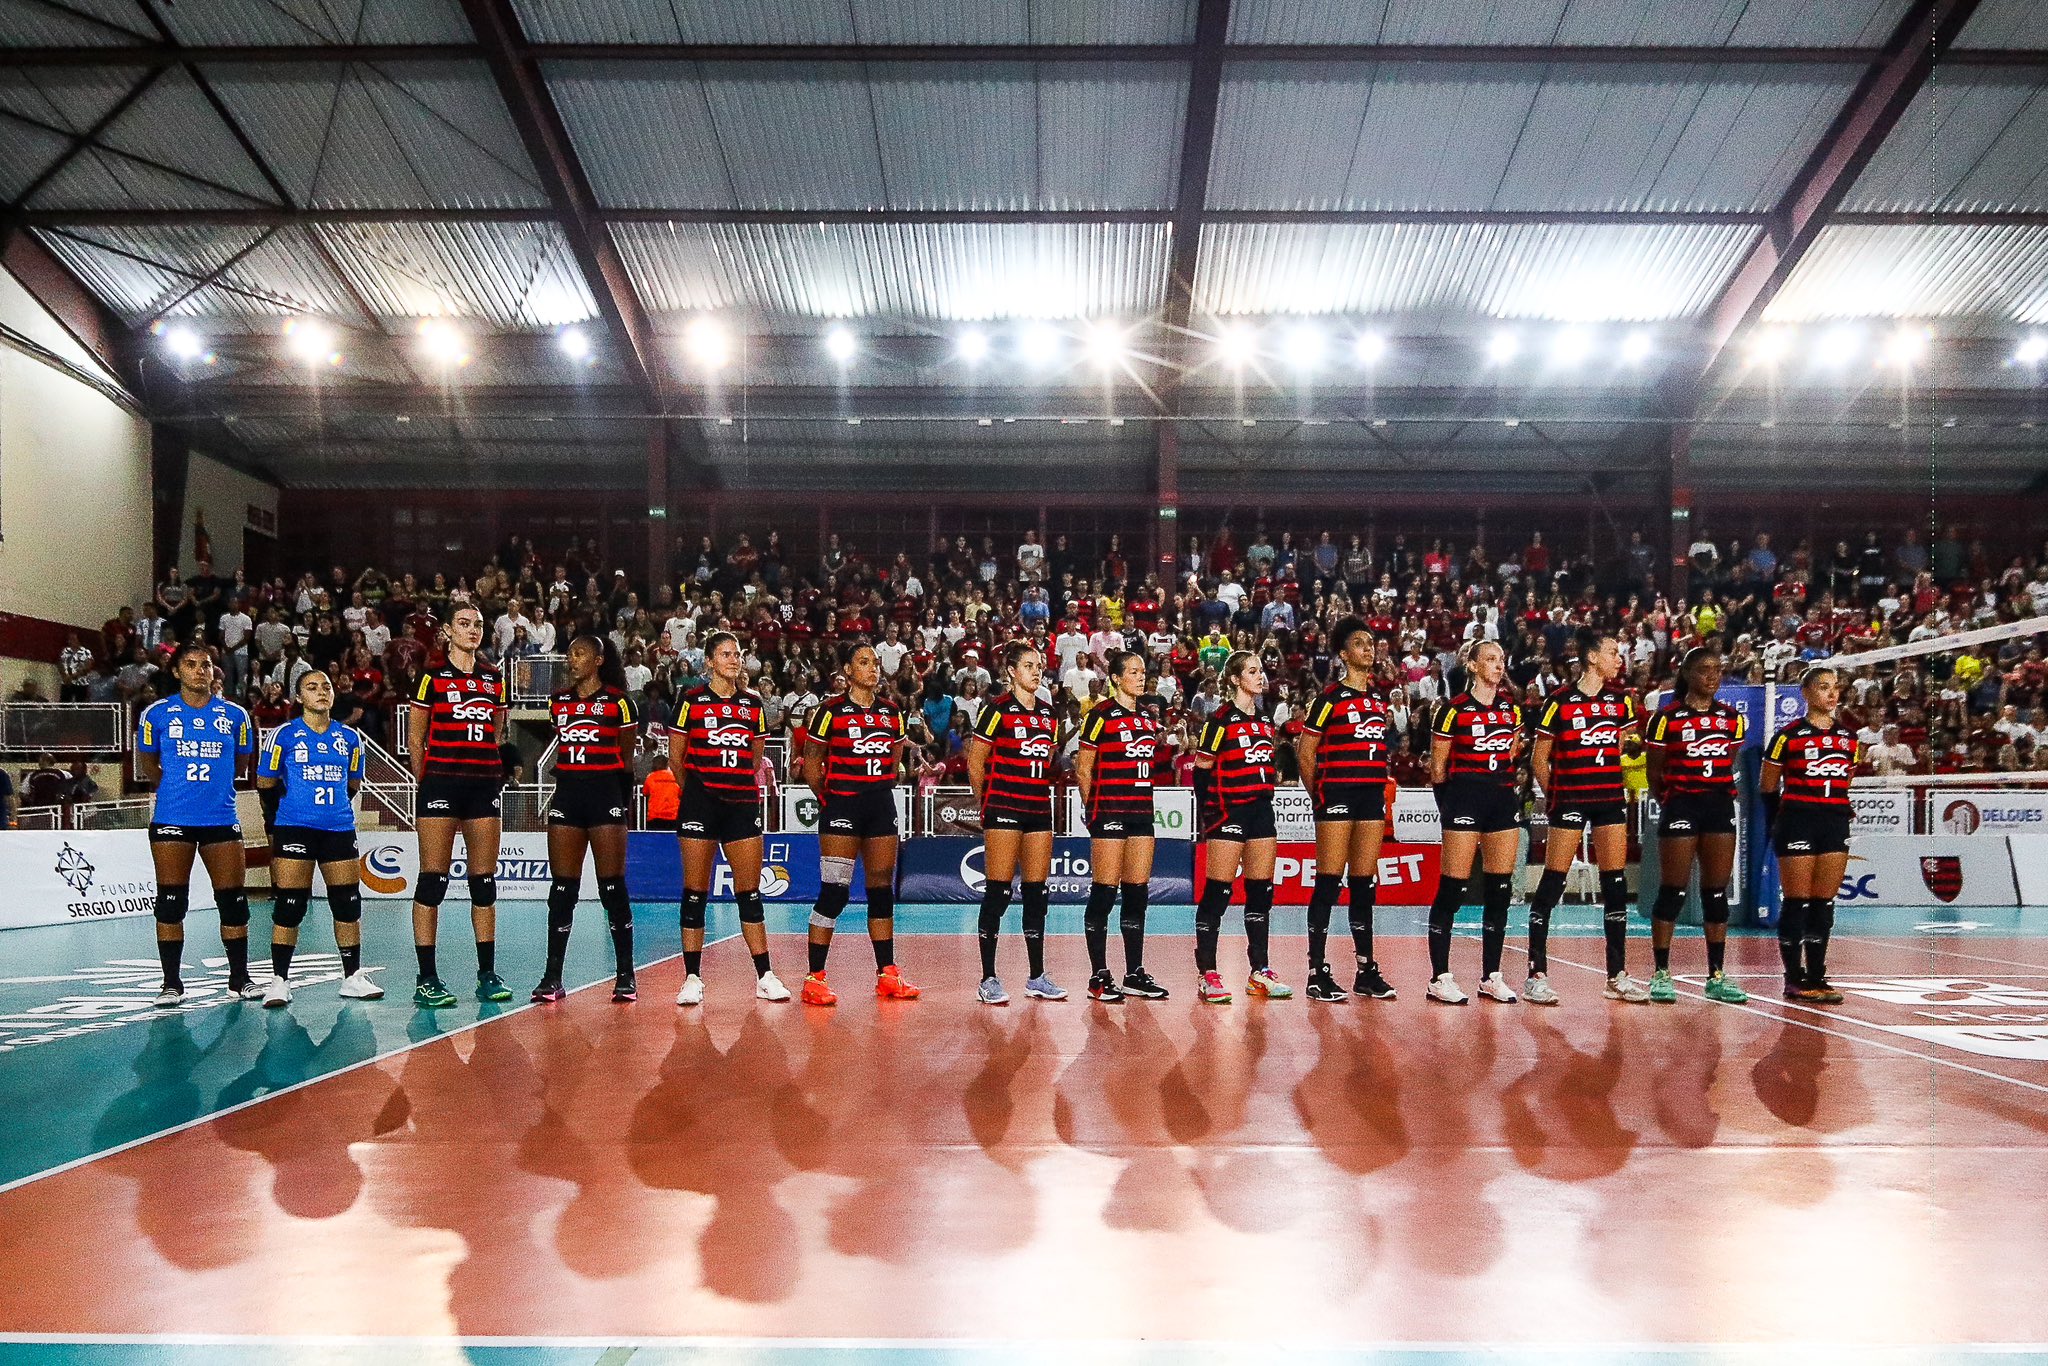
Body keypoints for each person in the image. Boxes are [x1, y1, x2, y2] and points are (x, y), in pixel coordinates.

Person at [1526, 630, 1650, 1006]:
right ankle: (1536, 975)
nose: (1619, 658)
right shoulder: (1559, 702)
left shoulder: (1622, 703)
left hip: (1610, 800)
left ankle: (1617, 976)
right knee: (1552, 882)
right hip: (1570, 800)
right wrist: (1557, 798)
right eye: (1613, 652)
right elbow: (1537, 760)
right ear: (1592, 657)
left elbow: (1624, 749)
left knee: (1615, 884)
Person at [135, 643, 258, 1007]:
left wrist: (212, 791)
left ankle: (240, 980)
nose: (199, 671)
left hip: (220, 818)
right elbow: (149, 765)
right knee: (171, 901)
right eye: (190, 665)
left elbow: (239, 766)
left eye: (206, 665)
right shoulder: (156, 714)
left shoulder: (235, 715)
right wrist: (177, 791)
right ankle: (171, 983)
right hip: (173, 820)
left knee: (234, 902)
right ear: (176, 672)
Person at [671, 631, 788, 1005]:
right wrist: (701, 791)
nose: (734, 659)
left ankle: (764, 975)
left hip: (741, 804)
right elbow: (677, 761)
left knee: (750, 893)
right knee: (695, 893)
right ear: (709, 661)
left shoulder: (753, 705)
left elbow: (754, 760)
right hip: (699, 804)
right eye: (725, 654)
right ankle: (692, 977)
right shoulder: (689, 701)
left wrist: (732, 787)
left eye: (737, 654)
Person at [800, 641, 921, 1005]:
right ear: (848, 672)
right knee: (834, 891)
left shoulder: (891, 712)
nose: (872, 668)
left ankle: (887, 974)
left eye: (876, 663)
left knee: (881, 891)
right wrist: (832, 799)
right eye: (863, 662)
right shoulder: (829, 712)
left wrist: (877, 791)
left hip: (880, 807)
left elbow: (896, 758)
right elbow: (811, 764)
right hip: (842, 807)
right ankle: (814, 978)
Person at [256, 670, 381, 1006]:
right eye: (311, 687)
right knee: (290, 905)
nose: (321, 691)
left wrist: (332, 810)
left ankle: (352, 976)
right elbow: (266, 784)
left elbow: (353, 785)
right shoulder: (283, 736)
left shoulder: (351, 739)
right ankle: (280, 981)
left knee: (347, 903)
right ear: (299, 697)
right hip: (294, 828)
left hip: (338, 828)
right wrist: (281, 821)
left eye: (326, 686)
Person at [407, 604, 511, 1008]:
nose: (472, 631)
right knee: (432, 881)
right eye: (464, 624)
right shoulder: (430, 677)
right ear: (448, 631)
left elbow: (497, 731)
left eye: (478, 625)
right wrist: (429, 779)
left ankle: (486, 974)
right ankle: (427, 978)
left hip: (482, 786)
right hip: (440, 786)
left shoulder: (494, 678)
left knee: (484, 884)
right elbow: (416, 739)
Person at [1296, 617, 1397, 1003]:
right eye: (1359, 643)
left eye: (1371, 643)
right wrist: (1318, 796)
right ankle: (1316, 971)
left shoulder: (1377, 701)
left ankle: (1365, 968)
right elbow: (1306, 751)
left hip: (1371, 797)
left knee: (1363, 884)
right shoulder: (1329, 699)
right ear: (1342, 654)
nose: (1368, 649)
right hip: (1336, 795)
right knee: (1328, 881)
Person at [536, 635, 640, 1004]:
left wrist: (618, 799)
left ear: (597, 660)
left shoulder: (619, 703)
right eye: (570, 654)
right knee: (562, 888)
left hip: (605, 795)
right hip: (567, 794)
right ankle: (552, 977)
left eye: (579, 654)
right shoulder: (558, 703)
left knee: (612, 887)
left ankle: (625, 974)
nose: (572, 660)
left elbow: (626, 758)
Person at [1643, 646, 1749, 1005]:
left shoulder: (1731, 718)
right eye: (1705, 670)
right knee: (1672, 890)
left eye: (1718, 670)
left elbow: (1728, 760)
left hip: (1718, 804)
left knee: (1715, 892)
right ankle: (1661, 972)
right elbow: (1654, 773)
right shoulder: (1666, 718)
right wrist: (1674, 800)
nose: (1712, 676)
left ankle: (1716, 974)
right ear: (1688, 673)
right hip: (1681, 804)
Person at [1426, 640, 1524, 1005]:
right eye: (1491, 659)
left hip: (1502, 800)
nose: (1499, 665)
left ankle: (1491, 976)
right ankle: (1439, 977)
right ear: (1471, 665)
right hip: (1463, 798)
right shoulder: (1452, 711)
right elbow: (1438, 769)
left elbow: (1512, 756)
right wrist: (1450, 809)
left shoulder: (1511, 711)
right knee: (1453, 889)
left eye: (1501, 659)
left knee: (1499, 890)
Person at [1191, 650, 1291, 1004]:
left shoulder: (1266, 722)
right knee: (1218, 893)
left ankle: (1259, 971)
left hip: (1262, 812)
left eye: (1260, 670)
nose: (1260, 676)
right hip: (1228, 814)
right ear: (1235, 679)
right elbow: (1200, 771)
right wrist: (1212, 816)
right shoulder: (1219, 721)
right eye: (1252, 671)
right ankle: (1207, 972)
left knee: (1261, 894)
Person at [968, 642, 1063, 1004]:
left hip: (1038, 807)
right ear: (1011, 671)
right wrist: (987, 803)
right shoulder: (996, 710)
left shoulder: (1048, 715)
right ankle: (988, 977)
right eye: (1028, 665)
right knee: (999, 890)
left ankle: (1037, 976)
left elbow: (1049, 756)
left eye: (1039, 665)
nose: (1036, 672)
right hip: (1003, 807)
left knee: (1038, 893)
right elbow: (976, 761)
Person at [1074, 650, 1170, 1003]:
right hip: (1109, 809)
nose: (1141, 676)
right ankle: (1098, 975)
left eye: (1143, 671)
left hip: (1141, 812)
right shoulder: (1099, 716)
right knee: (1104, 891)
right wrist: (1092, 809)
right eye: (1132, 671)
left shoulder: (1147, 719)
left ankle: (1134, 973)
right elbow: (1084, 769)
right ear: (1115, 678)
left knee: (1137, 893)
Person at [1763, 666, 1858, 1004]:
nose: (1832, 694)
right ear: (1805, 693)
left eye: (1835, 687)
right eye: (1823, 687)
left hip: (1834, 823)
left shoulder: (1849, 739)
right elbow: (1767, 787)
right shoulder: (1788, 737)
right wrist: (1777, 825)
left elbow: (1846, 780)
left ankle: (1817, 974)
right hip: (1797, 822)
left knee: (1823, 904)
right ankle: (1793, 978)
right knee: (1796, 902)